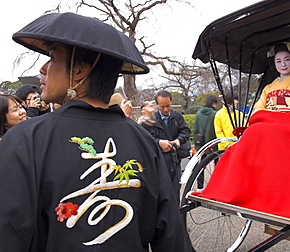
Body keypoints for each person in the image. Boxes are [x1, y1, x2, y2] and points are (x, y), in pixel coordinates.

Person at [0, 13, 192, 251]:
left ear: (79, 70)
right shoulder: (142, 140)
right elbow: (172, 238)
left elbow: (9, 232)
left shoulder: (26, 138)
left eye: (51, 56)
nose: (43, 68)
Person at [193, 41, 290, 219]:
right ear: (275, 63)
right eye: (279, 61)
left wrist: (284, 115)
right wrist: (271, 116)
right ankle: (241, 188)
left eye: (287, 60)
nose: (283, 64)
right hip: (270, 123)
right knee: (251, 134)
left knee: (274, 130)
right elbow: (258, 109)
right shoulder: (269, 87)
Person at [141, 90, 191, 202]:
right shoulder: (151, 118)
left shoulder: (176, 116)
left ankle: (175, 216)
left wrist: (179, 140)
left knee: (175, 191)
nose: (166, 109)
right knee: (160, 192)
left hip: (174, 159)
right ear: (157, 105)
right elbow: (145, 137)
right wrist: (159, 142)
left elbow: (186, 131)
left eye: (168, 105)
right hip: (158, 161)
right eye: (162, 106)